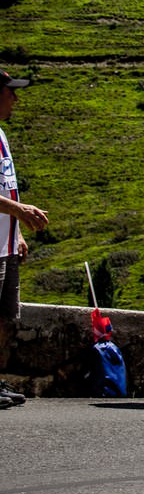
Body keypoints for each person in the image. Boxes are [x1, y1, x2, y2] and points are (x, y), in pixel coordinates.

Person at [0, 69, 49, 409]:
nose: (15, 99)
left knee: (5, 318)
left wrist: (16, 234)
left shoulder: (1, 135)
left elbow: (6, 185)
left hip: (4, 244)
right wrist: (20, 210)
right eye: (10, 92)